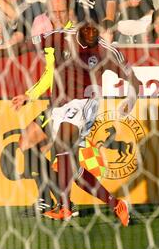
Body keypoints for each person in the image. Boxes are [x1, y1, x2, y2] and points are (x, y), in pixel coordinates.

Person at [11, 19, 142, 225]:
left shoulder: (102, 49)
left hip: (81, 106)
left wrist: (130, 100)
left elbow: (133, 77)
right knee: (27, 143)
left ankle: (64, 206)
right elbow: (48, 71)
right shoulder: (60, 36)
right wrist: (30, 94)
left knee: (63, 150)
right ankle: (111, 204)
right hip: (57, 106)